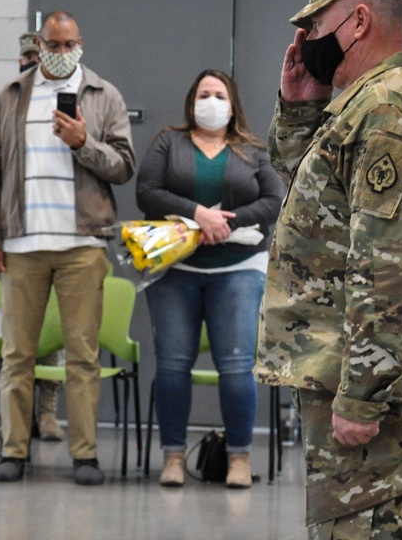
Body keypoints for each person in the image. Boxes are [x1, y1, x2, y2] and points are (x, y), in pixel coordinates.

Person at [256, 0, 402, 539]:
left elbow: (389, 264)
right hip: (355, 369)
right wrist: (300, 105)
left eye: (316, 26)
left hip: (372, 380)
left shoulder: (388, 114)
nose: (307, 42)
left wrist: (362, 394)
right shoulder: (362, 103)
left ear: (357, 20)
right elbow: (316, 200)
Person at [0, 10, 135, 485]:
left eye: (68, 45)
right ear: (39, 45)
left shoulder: (106, 96)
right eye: (53, 45)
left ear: (80, 44)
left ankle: (84, 456)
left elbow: (124, 166)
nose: (61, 54)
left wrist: (83, 142)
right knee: (18, 354)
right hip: (22, 244)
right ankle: (13, 452)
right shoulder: (10, 97)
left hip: (82, 245)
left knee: (82, 356)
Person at [136, 70, 284, 489]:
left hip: (238, 268)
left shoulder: (252, 151)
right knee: (172, 364)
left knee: (237, 366)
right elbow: (147, 191)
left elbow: (274, 201)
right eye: (204, 94)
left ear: (232, 104)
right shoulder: (169, 142)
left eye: (219, 94)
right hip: (175, 269)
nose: (212, 101)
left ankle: (238, 457)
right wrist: (197, 215)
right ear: (191, 102)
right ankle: (173, 457)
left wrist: (227, 221)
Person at [17, 30, 65, 443]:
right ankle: (15, 421)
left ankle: (47, 413)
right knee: (19, 341)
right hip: (19, 239)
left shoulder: (63, 104)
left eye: (39, 58)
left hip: (58, 235)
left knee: (55, 335)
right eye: (26, 60)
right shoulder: (8, 104)